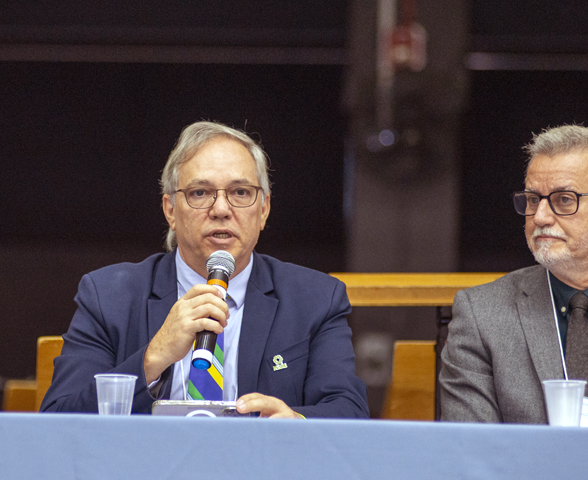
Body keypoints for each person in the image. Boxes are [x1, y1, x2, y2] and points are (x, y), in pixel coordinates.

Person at [41, 121, 368, 418]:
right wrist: (152, 359)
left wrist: (297, 424)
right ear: (170, 209)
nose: (222, 209)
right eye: (200, 193)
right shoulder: (108, 296)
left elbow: (348, 413)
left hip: (259, 474)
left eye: (241, 192)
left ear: (264, 209)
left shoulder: (316, 299)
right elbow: (59, 419)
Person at [440, 124, 588, 429]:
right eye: (531, 199)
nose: (539, 217)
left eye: (564, 199)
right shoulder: (483, 315)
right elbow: (473, 452)